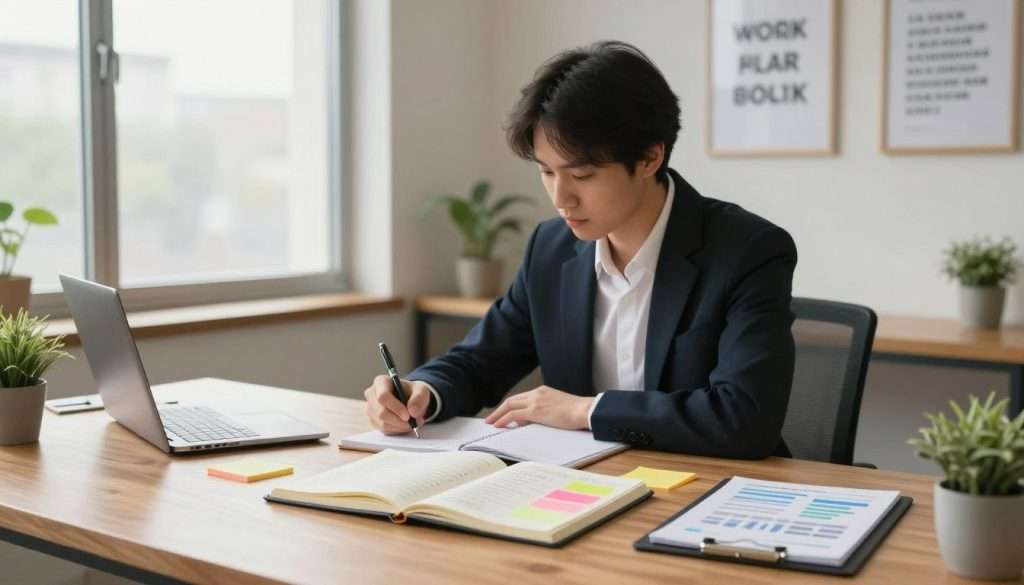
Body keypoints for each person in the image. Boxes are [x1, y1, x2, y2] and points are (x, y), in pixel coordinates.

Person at [363, 41, 797, 458]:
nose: (561, 198)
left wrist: (584, 410)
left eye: (583, 176)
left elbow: (744, 417)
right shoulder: (551, 249)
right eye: (546, 172)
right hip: (586, 488)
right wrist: (422, 392)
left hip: (709, 490)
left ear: (649, 158)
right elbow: (480, 361)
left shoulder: (748, 251)